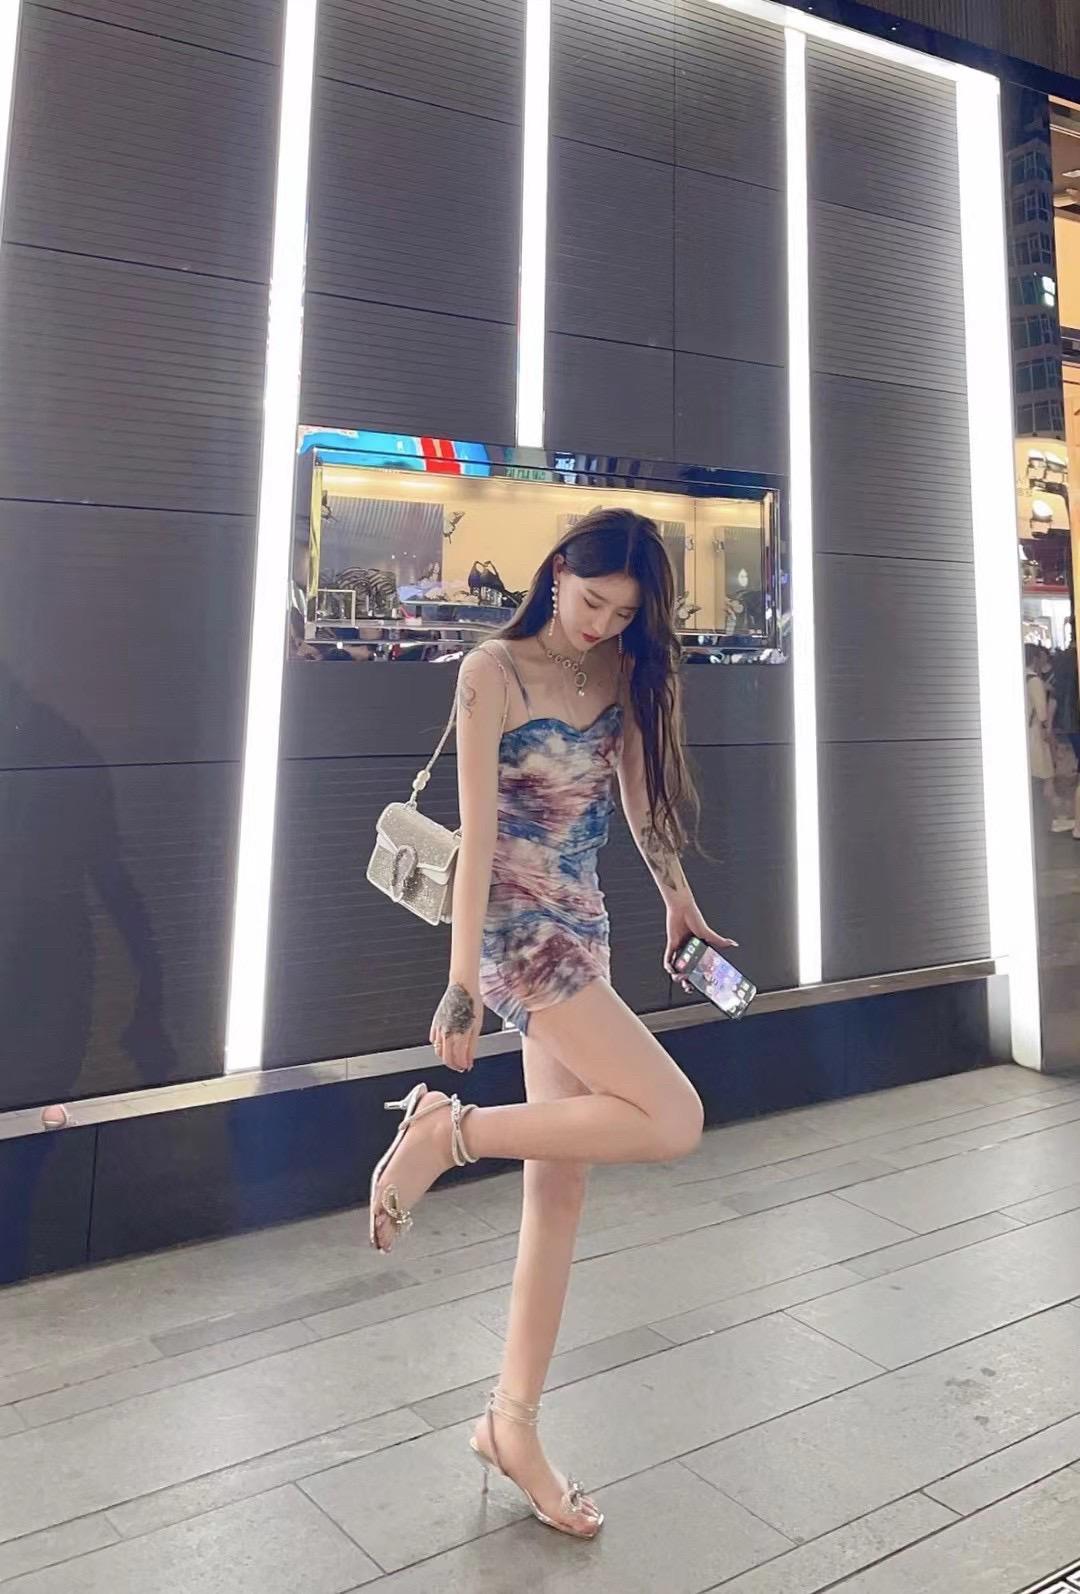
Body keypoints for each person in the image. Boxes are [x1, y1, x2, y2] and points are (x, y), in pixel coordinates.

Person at [367, 508, 736, 1538]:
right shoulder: (490, 671)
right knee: (673, 1117)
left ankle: (511, 1425)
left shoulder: (622, 670)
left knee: (560, 1188)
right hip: (517, 935)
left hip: (586, 923)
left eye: (621, 613)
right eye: (591, 600)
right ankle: (449, 1132)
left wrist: (678, 902)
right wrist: (461, 985)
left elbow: (643, 807)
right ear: (560, 569)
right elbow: (477, 837)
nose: (600, 623)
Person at [1027, 643, 1073, 833]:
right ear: (1035, 659)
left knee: (1040, 779)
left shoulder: (1019, 677)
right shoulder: (1034, 681)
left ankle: (1054, 818)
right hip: (1038, 735)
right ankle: (1056, 819)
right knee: (1048, 778)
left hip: (1028, 735)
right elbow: (1043, 714)